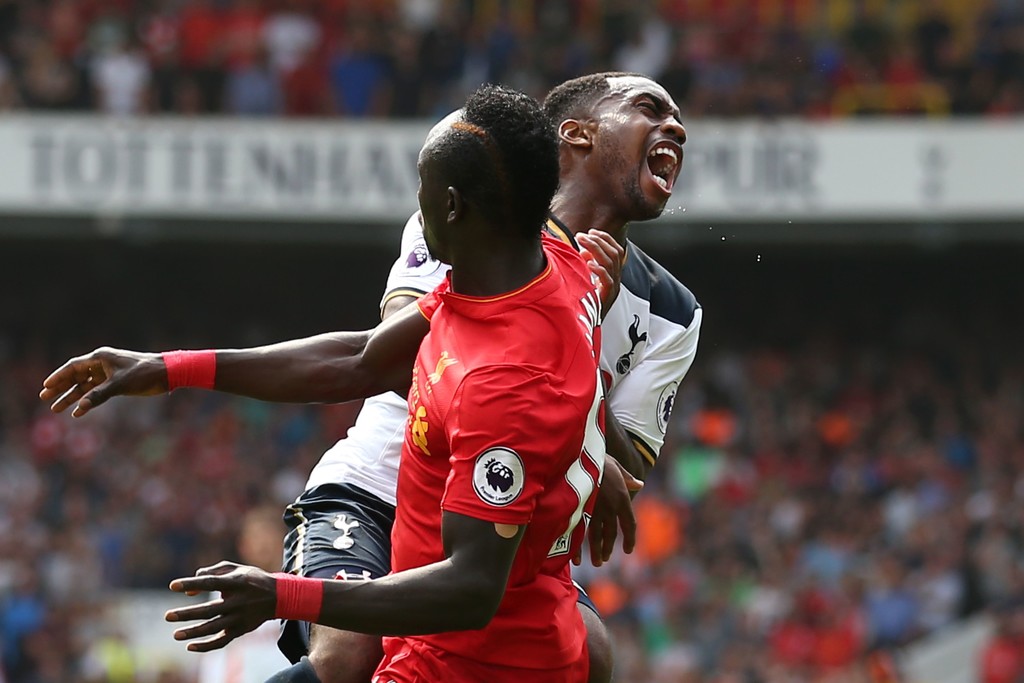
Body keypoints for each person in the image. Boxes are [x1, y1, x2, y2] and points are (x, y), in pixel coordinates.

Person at [42, 72, 700, 683]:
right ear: (577, 134)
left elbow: (609, 463)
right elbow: (381, 361)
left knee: (592, 655)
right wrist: (168, 367)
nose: (675, 126)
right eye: (649, 108)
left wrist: (579, 397)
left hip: (503, 528)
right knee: (348, 653)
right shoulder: (496, 229)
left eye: (675, 115)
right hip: (381, 491)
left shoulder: (646, 305)